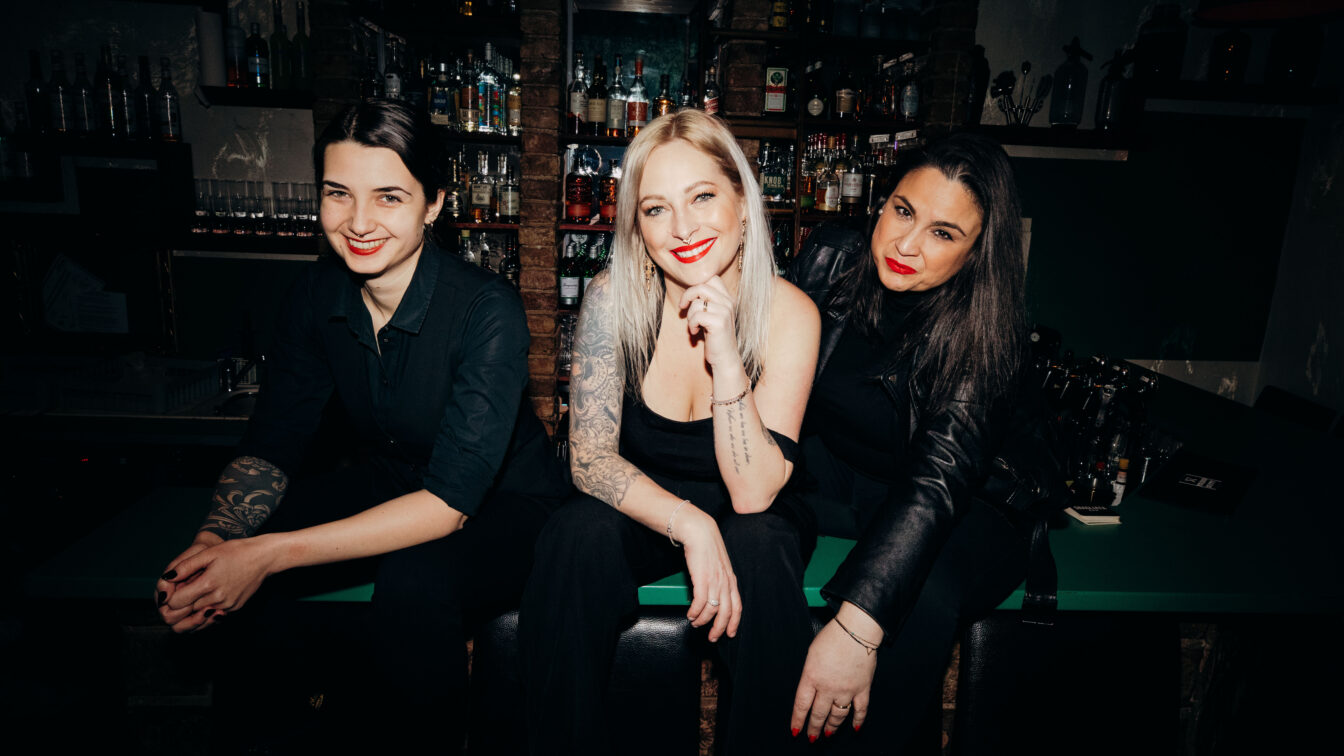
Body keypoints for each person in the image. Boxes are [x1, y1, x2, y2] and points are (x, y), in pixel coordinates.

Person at [154, 99, 568, 752]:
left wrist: (262, 557)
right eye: (338, 194)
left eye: (388, 197)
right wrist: (221, 540)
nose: (359, 222)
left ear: (433, 203)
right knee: (263, 526)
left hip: (511, 506)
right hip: (394, 479)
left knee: (416, 574)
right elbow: (273, 443)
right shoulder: (315, 297)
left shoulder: (486, 310)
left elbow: (449, 505)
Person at [519, 108, 821, 755]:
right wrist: (688, 522)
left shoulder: (791, 313)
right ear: (637, 226)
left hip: (750, 506)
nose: (681, 228)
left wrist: (727, 354)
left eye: (702, 197)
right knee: (574, 533)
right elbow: (591, 460)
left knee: (761, 542)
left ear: (743, 201)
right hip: (649, 504)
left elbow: (752, 493)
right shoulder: (611, 298)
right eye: (655, 209)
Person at [778, 132, 1037, 751]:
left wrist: (857, 630)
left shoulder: (988, 331)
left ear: (977, 252)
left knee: (922, 596)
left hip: (968, 499)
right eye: (903, 210)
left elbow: (938, 478)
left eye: (944, 233)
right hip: (847, 472)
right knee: (751, 531)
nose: (907, 245)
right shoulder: (829, 259)